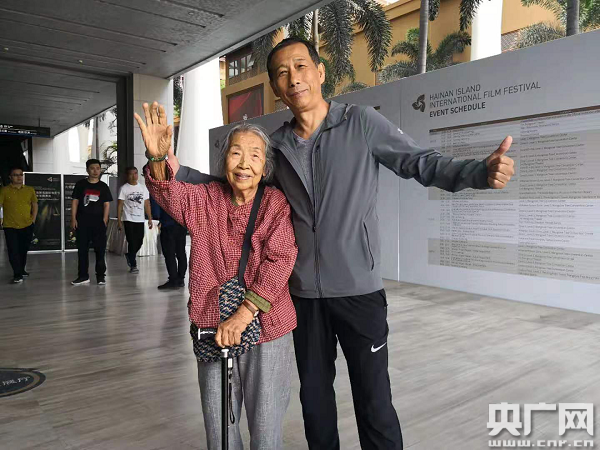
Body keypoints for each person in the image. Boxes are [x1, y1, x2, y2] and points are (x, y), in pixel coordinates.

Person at [141, 37, 515, 450]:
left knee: (374, 401)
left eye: (301, 66)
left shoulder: (361, 123)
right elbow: (227, 183)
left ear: (320, 72)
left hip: (358, 290)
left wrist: (477, 173)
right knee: (315, 404)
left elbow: (418, 161)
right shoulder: (276, 145)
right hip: (304, 296)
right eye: (282, 73)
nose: (293, 78)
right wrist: (167, 165)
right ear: (276, 88)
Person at [136, 113, 299, 450]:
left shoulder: (274, 204)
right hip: (213, 324)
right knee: (219, 425)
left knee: (266, 427)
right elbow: (169, 194)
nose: (244, 163)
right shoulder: (206, 197)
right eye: (236, 152)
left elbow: (281, 258)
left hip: (267, 328)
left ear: (265, 168)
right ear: (224, 160)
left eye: (254, 155)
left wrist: (243, 314)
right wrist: (156, 158)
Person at [71, 159, 113, 285]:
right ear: (87, 170)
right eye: (92, 168)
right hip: (82, 222)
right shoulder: (80, 184)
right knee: (82, 250)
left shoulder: (103, 186)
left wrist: (104, 220)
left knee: (100, 250)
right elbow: (75, 202)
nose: (95, 171)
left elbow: (106, 205)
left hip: (98, 223)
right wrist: (73, 218)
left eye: (98, 168)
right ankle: (83, 276)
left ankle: (100, 276)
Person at [0, 167, 38, 283]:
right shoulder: (4, 190)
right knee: (13, 250)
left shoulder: (29, 190)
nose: (19, 177)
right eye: (15, 175)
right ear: (10, 177)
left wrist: (33, 220)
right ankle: (17, 274)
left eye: (21, 174)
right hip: (10, 225)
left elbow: (34, 204)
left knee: (23, 249)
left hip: (27, 224)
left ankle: (21, 269)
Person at [117, 166, 153, 273]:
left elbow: (147, 204)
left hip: (140, 219)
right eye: (131, 174)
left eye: (135, 173)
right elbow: (120, 205)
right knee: (132, 241)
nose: (134, 176)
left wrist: (150, 218)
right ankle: (133, 265)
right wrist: (119, 220)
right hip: (128, 218)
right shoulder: (124, 188)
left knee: (139, 241)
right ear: (127, 175)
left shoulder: (143, 188)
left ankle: (130, 255)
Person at [150, 195, 187, 289]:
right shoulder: (180, 190)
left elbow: (156, 212)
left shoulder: (158, 191)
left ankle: (173, 280)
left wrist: (158, 218)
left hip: (168, 225)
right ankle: (181, 279)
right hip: (181, 225)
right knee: (181, 253)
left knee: (169, 254)